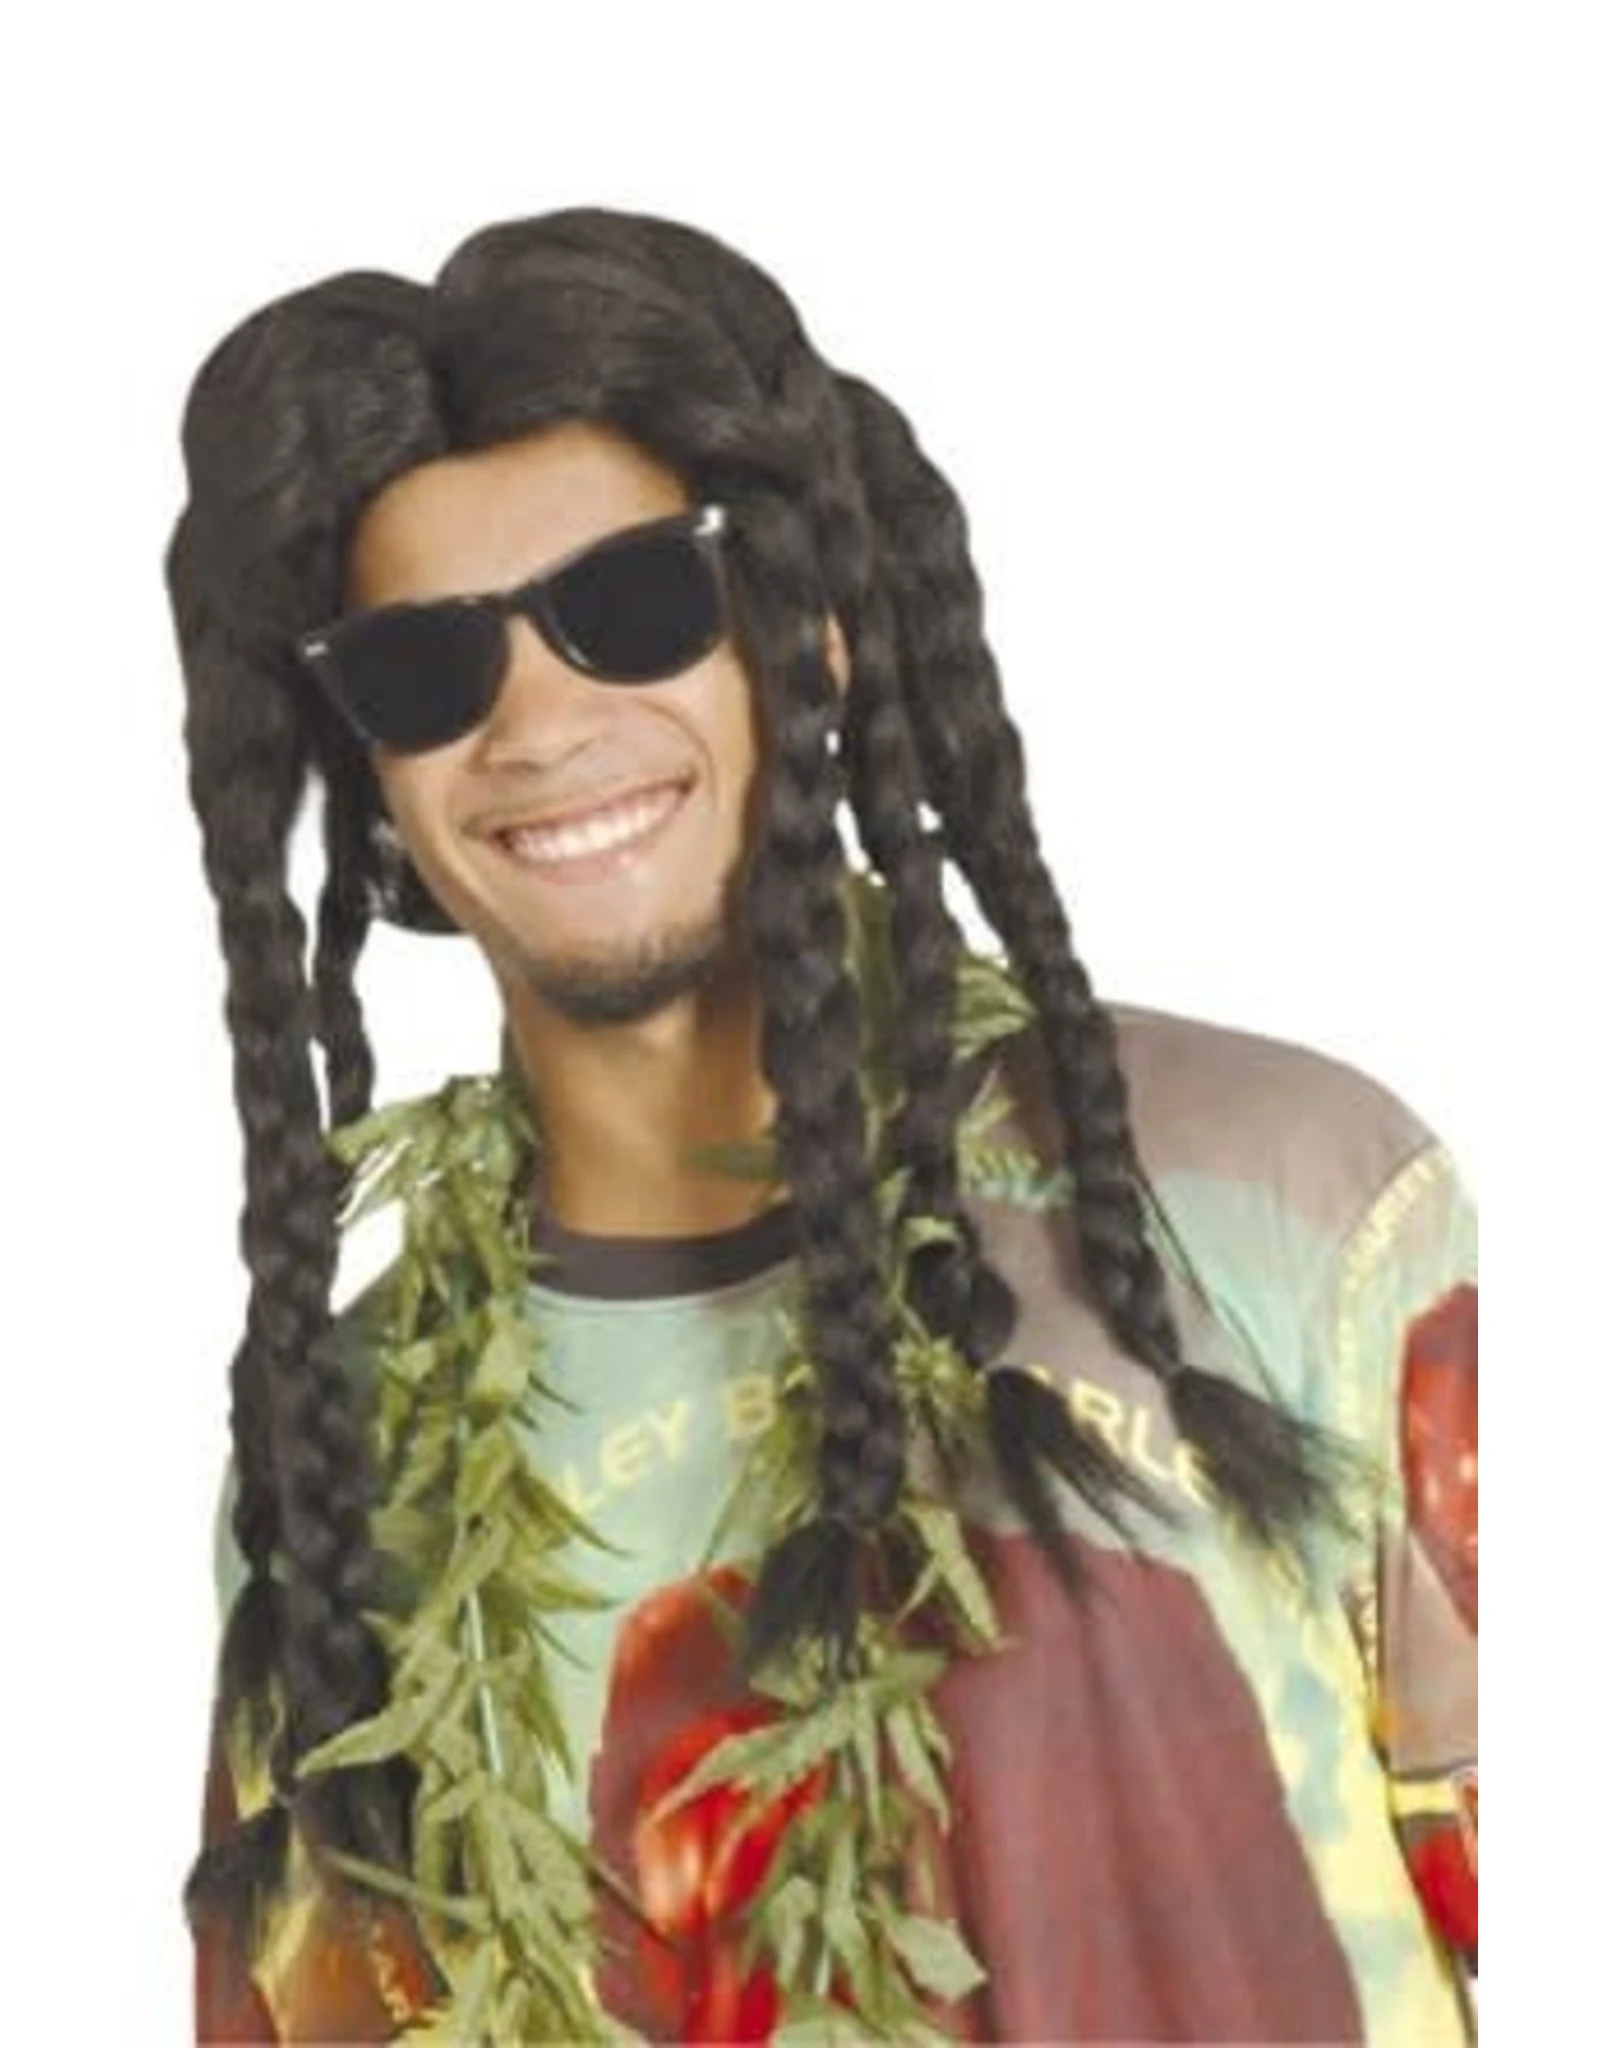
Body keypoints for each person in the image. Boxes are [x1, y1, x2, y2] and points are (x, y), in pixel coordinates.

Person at [170, 206, 1477, 2045]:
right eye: (425, 670)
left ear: (820, 633)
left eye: (636, 606)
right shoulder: (341, 1453)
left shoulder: (1281, 1201)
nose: (537, 723)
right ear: (369, 771)